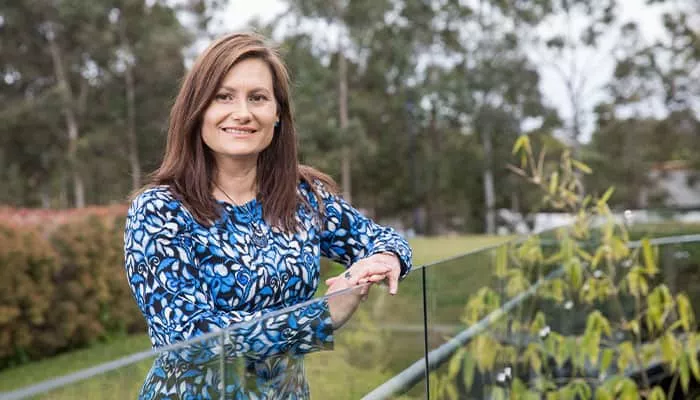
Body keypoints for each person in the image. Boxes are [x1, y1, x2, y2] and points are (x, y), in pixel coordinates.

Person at [123, 32, 413, 399]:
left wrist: (383, 259)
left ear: (277, 115)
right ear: (198, 110)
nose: (242, 113)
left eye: (258, 98)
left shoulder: (302, 197)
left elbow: (383, 239)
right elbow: (189, 338)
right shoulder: (158, 210)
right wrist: (321, 317)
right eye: (224, 96)